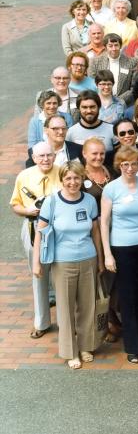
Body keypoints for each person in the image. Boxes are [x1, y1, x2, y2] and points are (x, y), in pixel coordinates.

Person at [32, 161, 102, 370]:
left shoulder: (89, 200)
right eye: (68, 178)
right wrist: (36, 263)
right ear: (62, 179)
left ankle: (86, 346)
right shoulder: (52, 202)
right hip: (62, 262)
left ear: (82, 179)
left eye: (77, 178)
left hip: (88, 258)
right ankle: (70, 351)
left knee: (87, 305)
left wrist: (99, 258)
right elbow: (40, 234)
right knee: (65, 307)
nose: (73, 182)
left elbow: (96, 231)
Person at [100, 146, 138, 364]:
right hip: (121, 248)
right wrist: (108, 254)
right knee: (128, 298)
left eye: (133, 164)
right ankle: (132, 346)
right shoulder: (111, 189)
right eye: (124, 164)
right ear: (118, 166)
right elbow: (104, 222)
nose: (129, 168)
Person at [10, 142, 62, 340]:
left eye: (49, 155)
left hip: (59, 227)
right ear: (34, 158)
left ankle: (67, 321)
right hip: (33, 226)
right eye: (41, 156)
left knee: (62, 272)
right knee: (38, 273)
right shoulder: (24, 176)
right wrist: (28, 211)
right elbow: (15, 205)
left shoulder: (62, 172)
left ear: (55, 155)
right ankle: (42, 322)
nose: (46, 159)